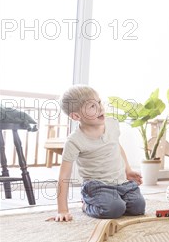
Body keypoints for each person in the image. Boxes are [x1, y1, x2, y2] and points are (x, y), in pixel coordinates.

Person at [51, 85, 145, 222]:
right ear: (76, 116)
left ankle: (116, 199)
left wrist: (128, 170)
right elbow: (63, 175)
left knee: (138, 207)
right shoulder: (74, 140)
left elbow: (116, 147)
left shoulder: (112, 124)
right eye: (92, 106)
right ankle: (86, 204)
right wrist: (62, 210)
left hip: (122, 183)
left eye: (99, 102)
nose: (100, 108)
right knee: (114, 209)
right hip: (97, 186)